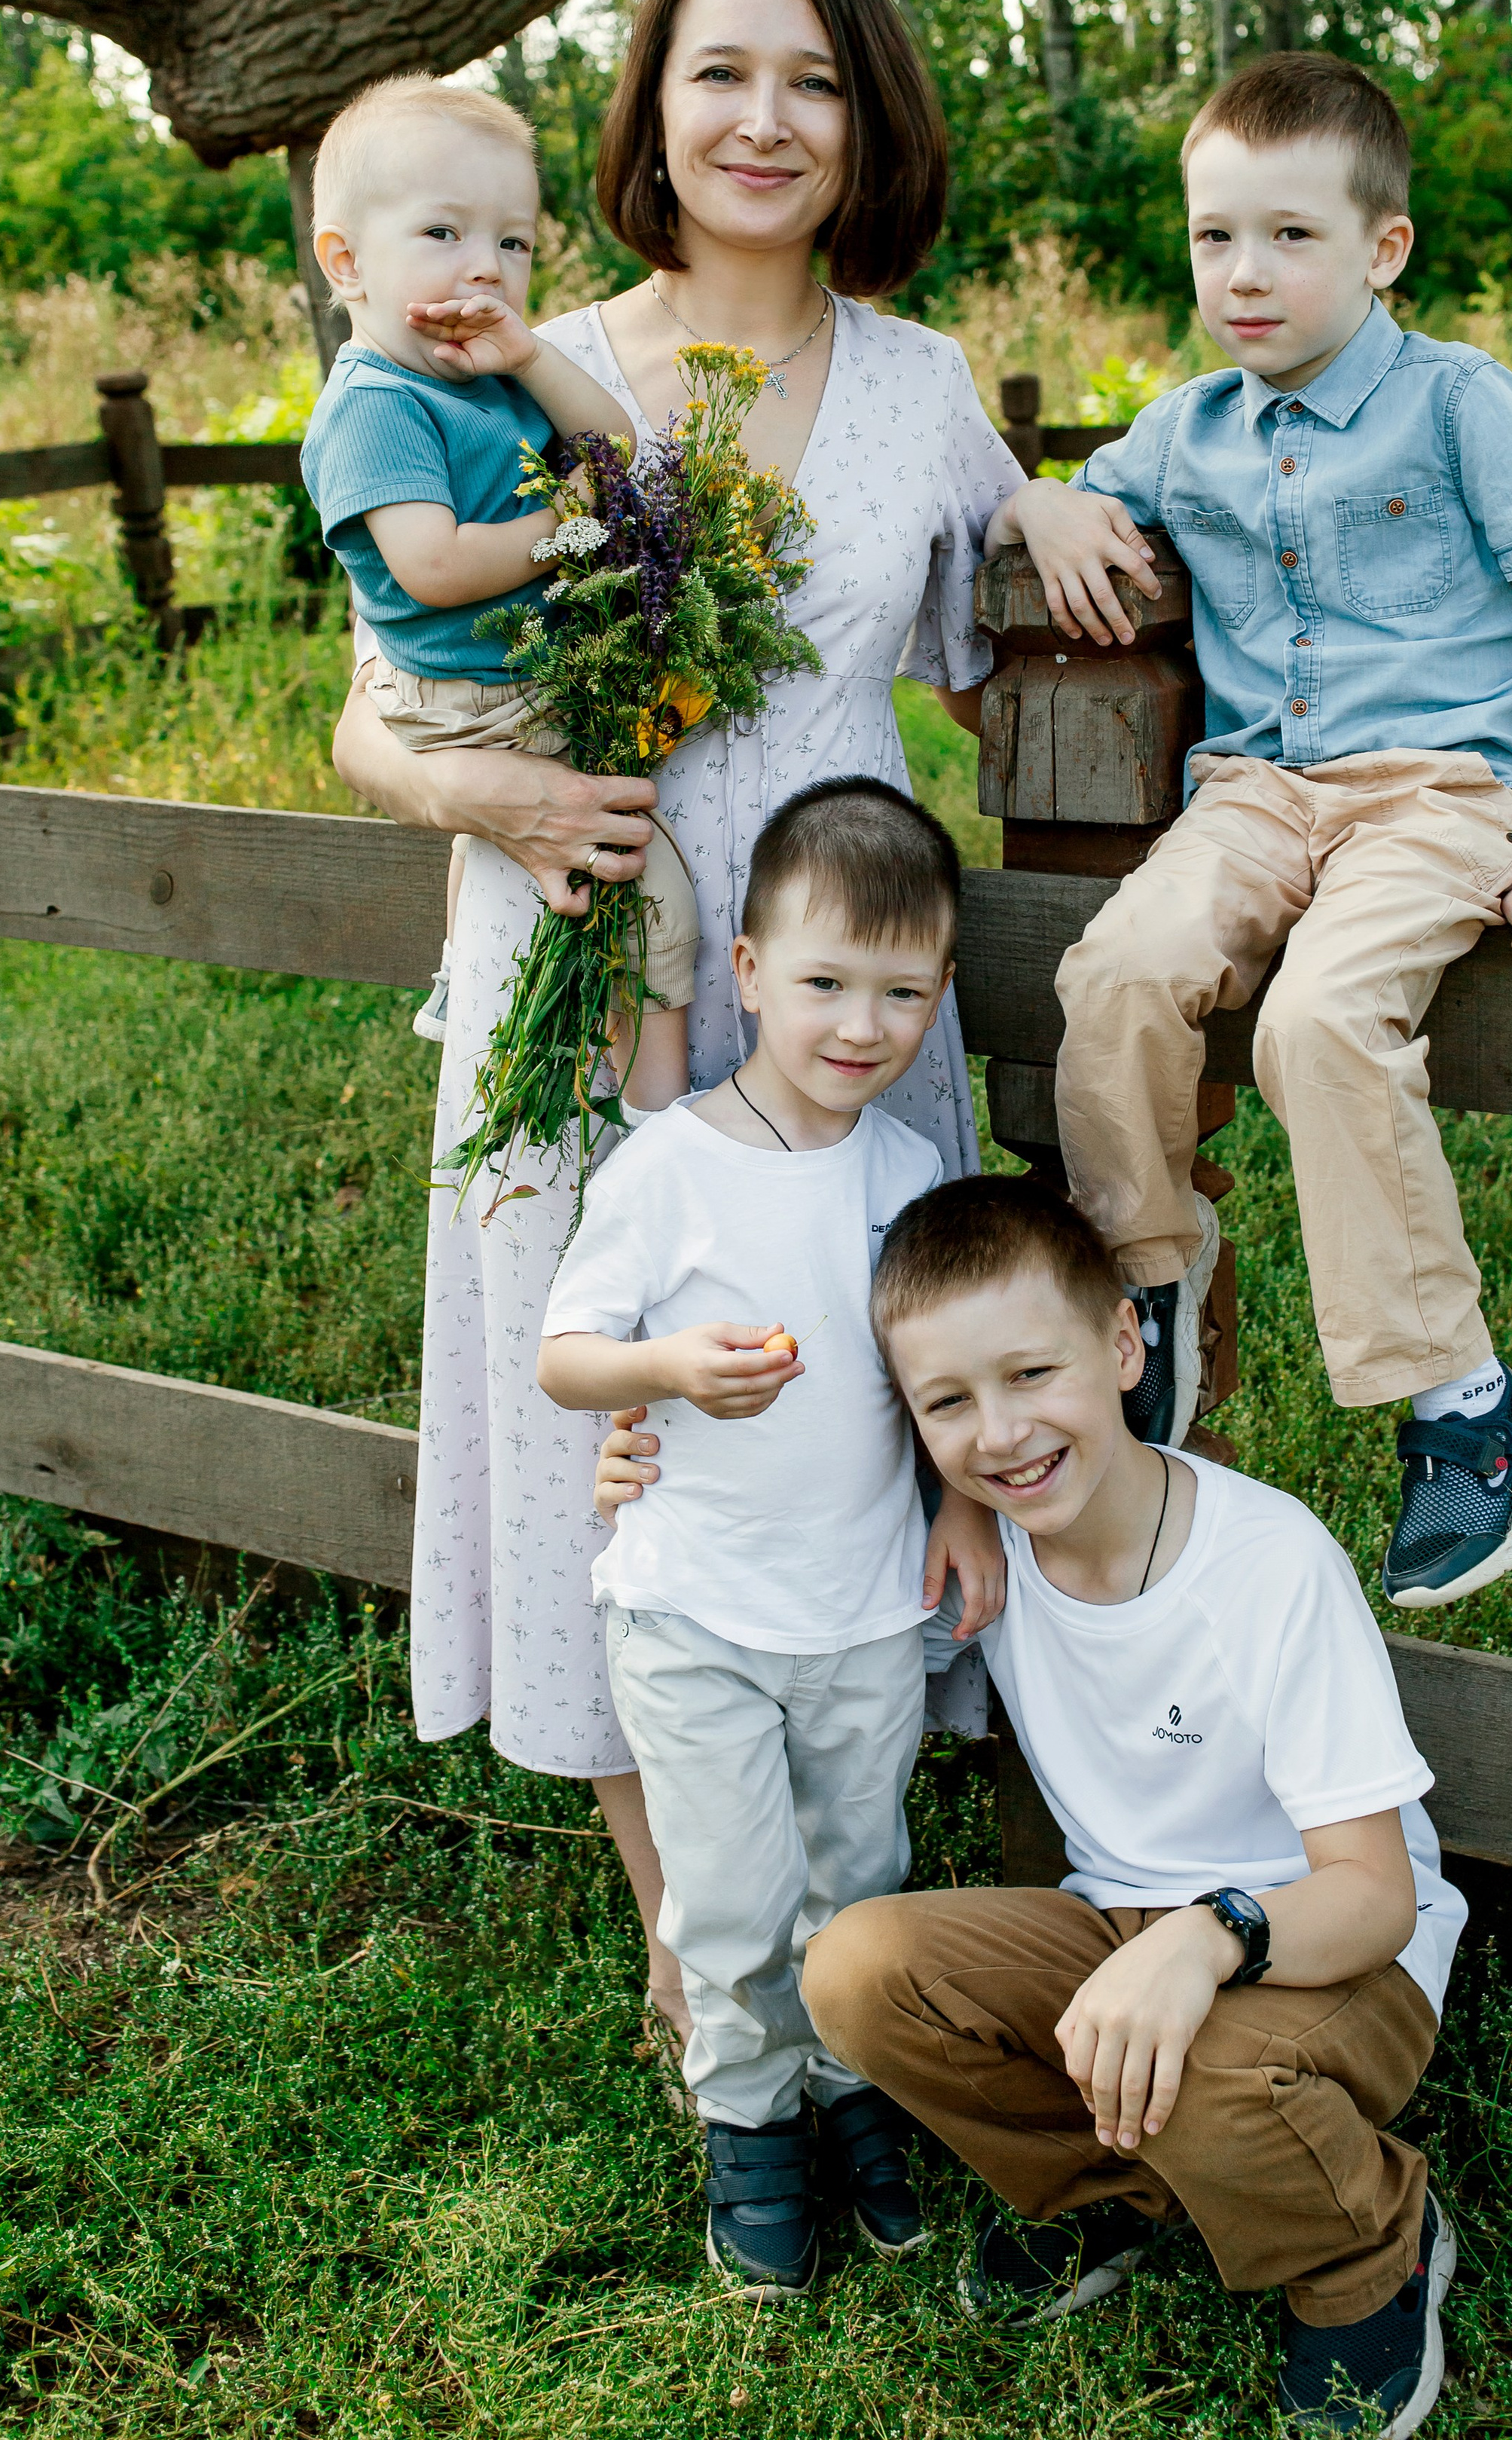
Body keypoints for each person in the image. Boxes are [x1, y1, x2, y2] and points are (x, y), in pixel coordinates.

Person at [329, 0, 1019, 2046]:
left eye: (813, 80)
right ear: (653, 111)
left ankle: (842, 1909)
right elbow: (372, 707)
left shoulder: (926, 390)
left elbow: (1019, 658)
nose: (763, 121)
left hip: (844, 995)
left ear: (865, 122)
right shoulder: (504, 355)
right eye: (721, 73)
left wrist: (1098, 515)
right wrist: (498, 803)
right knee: (604, 1420)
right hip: (578, 951)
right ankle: (690, 1945)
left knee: (837, 1400)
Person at [982, 52, 1512, 1608]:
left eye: (1289, 236)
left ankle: (1464, 1403)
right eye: (1215, 237)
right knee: (1114, 973)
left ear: (1382, 248)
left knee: (1319, 1022)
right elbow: (1053, 498)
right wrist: (1039, 503)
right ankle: (1148, 1283)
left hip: (1438, 794)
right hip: (1258, 797)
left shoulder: (1459, 401)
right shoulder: (1187, 427)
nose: (1244, 275)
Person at [805, 1175, 1468, 2438]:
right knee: (856, 1970)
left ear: (1124, 1345)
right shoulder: (982, 1544)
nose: (1002, 1434)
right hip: (1116, 1922)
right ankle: (1115, 2186)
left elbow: (1376, 1899)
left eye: (1032, 1374)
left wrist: (1208, 1937)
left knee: (1211, 2069)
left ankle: (1370, 2246)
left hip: (1330, 1945)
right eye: (950, 1403)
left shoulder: (1267, 1565)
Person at [554, 781, 1005, 2300]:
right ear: (745, 972)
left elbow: (944, 1377)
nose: (860, 1026)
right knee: (734, 1898)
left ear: (939, 991)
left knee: (857, 1880)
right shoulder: (667, 1167)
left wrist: (959, 1500)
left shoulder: (909, 1180)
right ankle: (747, 2121)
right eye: (823, 983)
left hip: (862, 1615)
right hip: (695, 1614)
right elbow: (565, 1356)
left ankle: (848, 2083)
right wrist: (668, 1371)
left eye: (901, 993)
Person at [303, 75, 698, 1105]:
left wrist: (531, 356)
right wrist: (569, 529)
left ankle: (530, 1024)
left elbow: (612, 447)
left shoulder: (490, 374)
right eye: (443, 232)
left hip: (518, 682)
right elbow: (432, 568)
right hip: (468, 699)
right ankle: (650, 1101)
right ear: (346, 262)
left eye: (513, 242)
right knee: (647, 886)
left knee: (582, 885)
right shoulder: (376, 403)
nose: (486, 265)